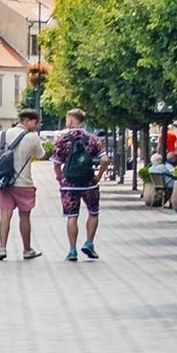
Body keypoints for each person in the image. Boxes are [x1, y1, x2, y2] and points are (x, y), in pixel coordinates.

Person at [0, 107, 47, 261]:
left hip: (4, 182)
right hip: (24, 183)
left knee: (5, 214)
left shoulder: (2, 135)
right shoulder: (32, 137)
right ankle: (27, 249)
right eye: (35, 123)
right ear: (26, 121)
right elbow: (41, 155)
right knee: (25, 216)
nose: (36, 126)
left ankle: (2, 248)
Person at [50, 108, 106, 261]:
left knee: (72, 216)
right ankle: (89, 243)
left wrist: (60, 178)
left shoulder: (63, 139)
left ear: (71, 120)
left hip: (70, 184)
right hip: (89, 183)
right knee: (93, 212)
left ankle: (72, 250)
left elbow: (56, 163)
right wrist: (98, 176)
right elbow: (105, 159)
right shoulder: (92, 139)